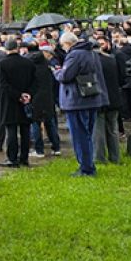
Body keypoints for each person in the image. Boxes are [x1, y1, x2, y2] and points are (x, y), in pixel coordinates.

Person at [55, 32, 108, 177]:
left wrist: (57, 72)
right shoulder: (92, 53)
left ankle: (86, 168)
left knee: (80, 135)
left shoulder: (74, 55)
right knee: (87, 134)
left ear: (68, 43)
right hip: (92, 98)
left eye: (63, 45)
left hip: (76, 100)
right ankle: (89, 165)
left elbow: (66, 76)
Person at [0, 38, 36, 168]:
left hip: (9, 101)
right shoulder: (28, 63)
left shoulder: (2, 64)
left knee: (11, 130)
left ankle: (12, 158)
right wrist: (27, 94)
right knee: (25, 130)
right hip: (26, 100)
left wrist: (18, 95)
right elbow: (34, 81)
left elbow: (3, 85)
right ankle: (24, 158)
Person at [28, 42, 61, 157]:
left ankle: (39, 150)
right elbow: (53, 82)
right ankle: (56, 147)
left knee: (36, 123)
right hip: (48, 97)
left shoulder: (31, 69)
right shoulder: (47, 67)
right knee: (50, 123)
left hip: (35, 98)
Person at [95, 37, 124, 164]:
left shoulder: (94, 62)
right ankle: (115, 157)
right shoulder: (111, 60)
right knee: (113, 130)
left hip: (100, 99)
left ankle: (100, 157)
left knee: (98, 131)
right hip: (114, 98)